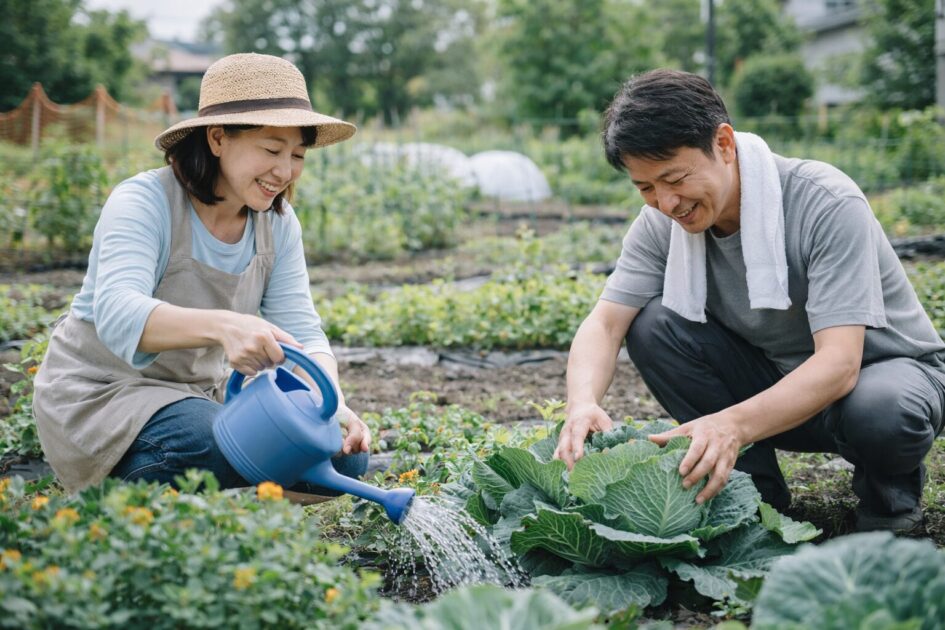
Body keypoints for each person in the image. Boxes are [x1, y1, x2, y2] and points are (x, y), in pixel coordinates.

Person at [553, 69, 945, 534]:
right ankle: (753, 501)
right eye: (645, 187)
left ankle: (889, 511)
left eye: (674, 178)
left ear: (723, 144)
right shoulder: (659, 222)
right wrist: (580, 404)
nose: (666, 202)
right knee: (652, 324)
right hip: (779, 389)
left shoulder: (824, 201)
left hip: (880, 382)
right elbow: (604, 325)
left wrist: (731, 425)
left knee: (881, 409)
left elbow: (841, 364)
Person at [32, 53, 372, 497]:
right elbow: (116, 312)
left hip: (198, 400)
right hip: (107, 396)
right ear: (217, 138)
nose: (284, 171)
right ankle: (130, 490)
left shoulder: (278, 224)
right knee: (207, 439)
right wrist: (227, 325)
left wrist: (332, 404)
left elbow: (303, 330)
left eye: (297, 155)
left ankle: (213, 494)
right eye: (271, 150)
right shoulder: (144, 202)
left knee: (344, 455)